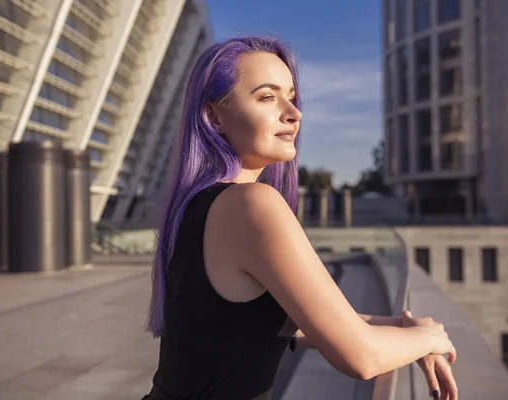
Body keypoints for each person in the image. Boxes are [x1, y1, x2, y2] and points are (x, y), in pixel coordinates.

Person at [142, 36, 458, 400]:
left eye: (291, 96)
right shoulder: (251, 204)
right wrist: (429, 338)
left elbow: (271, 322)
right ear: (214, 115)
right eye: (267, 97)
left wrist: (407, 328)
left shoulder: (196, 206)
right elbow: (362, 357)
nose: (294, 112)